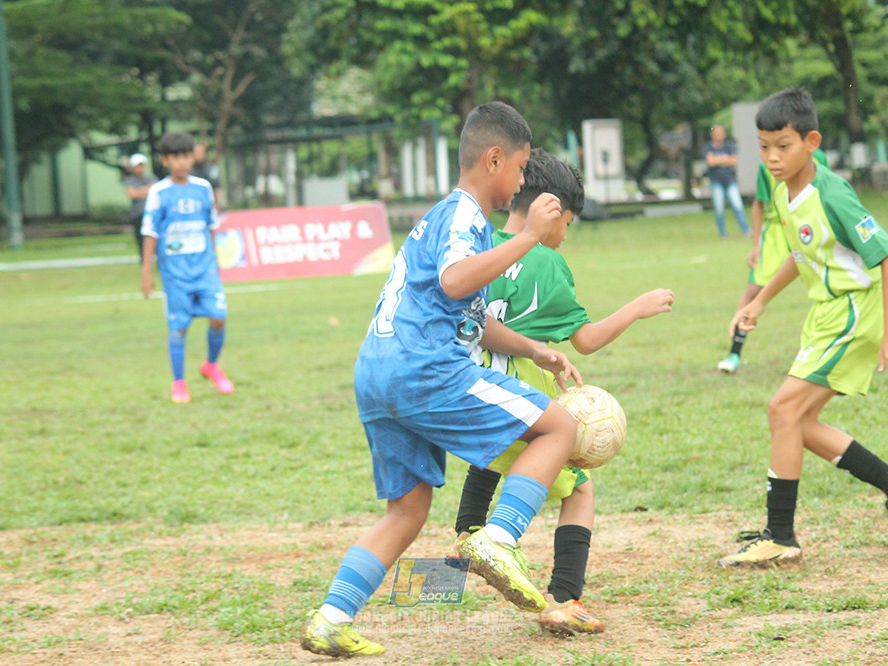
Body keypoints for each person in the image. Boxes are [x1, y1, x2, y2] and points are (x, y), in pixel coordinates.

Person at [299, 102, 583, 658]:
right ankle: (497, 541)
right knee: (559, 428)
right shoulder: (463, 217)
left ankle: (330, 619)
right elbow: (456, 281)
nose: (523, 180)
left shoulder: (443, 221)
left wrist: (535, 351)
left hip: (378, 371)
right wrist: (527, 236)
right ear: (494, 158)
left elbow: (471, 319)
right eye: (521, 168)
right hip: (423, 370)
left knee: (407, 510)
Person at [452, 148, 674, 635]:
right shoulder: (547, 264)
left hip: (464, 390)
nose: (565, 235)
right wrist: (636, 307)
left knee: (493, 454)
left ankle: (463, 540)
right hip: (520, 397)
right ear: (550, 210)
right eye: (568, 223)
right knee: (579, 487)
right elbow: (588, 340)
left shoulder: (479, 244)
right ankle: (564, 598)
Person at [717, 87, 888, 568]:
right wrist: (761, 302)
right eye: (764, 146)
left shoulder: (832, 194)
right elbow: (799, 253)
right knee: (795, 422)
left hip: (853, 312)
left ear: (811, 141)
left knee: (782, 409)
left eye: (783, 146)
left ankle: (781, 535)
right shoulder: (781, 188)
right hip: (825, 314)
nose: (772, 157)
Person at [140, 131, 234, 403]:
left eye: (186, 156)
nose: (182, 162)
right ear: (165, 160)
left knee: (219, 316)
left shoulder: (203, 188)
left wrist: (215, 260)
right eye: (175, 157)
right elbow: (150, 232)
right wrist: (146, 272)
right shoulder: (158, 192)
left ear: (193, 156)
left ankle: (211, 365)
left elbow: (211, 226)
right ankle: (179, 383)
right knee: (179, 328)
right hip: (175, 275)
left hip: (204, 270)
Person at [717, 148, 829, 374]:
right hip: (778, 230)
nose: (771, 152)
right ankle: (734, 353)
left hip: (811, 226)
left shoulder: (819, 159)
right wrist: (756, 245)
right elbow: (758, 204)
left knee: (830, 284)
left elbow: (827, 195)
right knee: (754, 290)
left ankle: (836, 351)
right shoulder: (766, 164)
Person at [704, 125, 750, 238]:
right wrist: (724, 159)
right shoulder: (708, 147)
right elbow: (710, 161)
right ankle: (722, 233)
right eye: (716, 132)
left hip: (730, 181)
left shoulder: (729, 146)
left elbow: (733, 160)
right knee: (719, 208)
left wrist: (718, 160)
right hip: (716, 181)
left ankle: (746, 230)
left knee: (738, 205)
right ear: (712, 134)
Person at [124, 153, 156, 258]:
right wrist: (147, 190)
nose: (140, 168)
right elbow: (133, 194)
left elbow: (156, 191)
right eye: (138, 165)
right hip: (138, 214)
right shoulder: (130, 180)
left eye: (142, 165)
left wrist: (140, 191)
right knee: (140, 240)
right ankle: (144, 261)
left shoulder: (151, 177)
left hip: (152, 213)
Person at [191, 142, 223, 210]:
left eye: (200, 152)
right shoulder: (188, 169)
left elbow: (217, 186)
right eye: (196, 152)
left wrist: (217, 203)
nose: (198, 154)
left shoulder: (211, 167)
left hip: (208, 203)